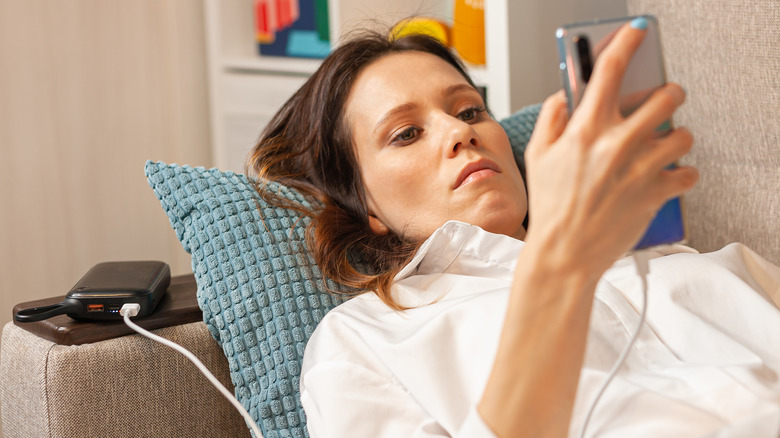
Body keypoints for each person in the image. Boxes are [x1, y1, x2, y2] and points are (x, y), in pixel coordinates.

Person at [247, 18, 780, 438]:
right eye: (407, 133)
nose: (459, 131)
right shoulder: (365, 341)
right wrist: (561, 264)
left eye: (471, 111)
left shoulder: (695, 261)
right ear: (366, 207)